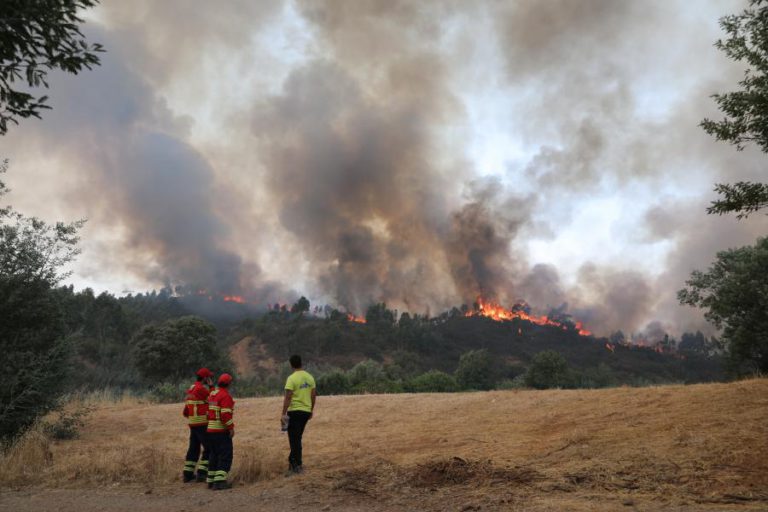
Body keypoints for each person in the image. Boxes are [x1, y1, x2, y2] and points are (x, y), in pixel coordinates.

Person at [281, 354, 316, 474]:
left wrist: (283, 413)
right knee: (297, 437)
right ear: (301, 363)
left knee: (294, 439)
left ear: (291, 365)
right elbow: (313, 395)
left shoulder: (291, 378)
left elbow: (288, 397)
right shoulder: (310, 377)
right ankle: (292, 462)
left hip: (294, 411)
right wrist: (311, 409)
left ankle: (297, 465)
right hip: (305, 412)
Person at [182, 367, 214, 483]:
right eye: (209, 377)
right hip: (202, 423)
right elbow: (213, 400)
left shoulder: (192, 388)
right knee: (210, 448)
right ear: (205, 378)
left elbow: (187, 406)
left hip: (193, 423)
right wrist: (211, 387)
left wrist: (187, 414)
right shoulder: (201, 389)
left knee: (193, 448)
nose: (210, 378)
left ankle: (187, 474)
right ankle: (202, 473)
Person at [206, 373, 235, 490]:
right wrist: (231, 428)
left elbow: (211, 406)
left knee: (214, 455)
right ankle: (220, 482)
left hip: (210, 430)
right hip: (220, 431)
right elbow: (225, 415)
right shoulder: (226, 396)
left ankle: (211, 481)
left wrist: (211, 387)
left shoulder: (212, 394)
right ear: (229, 384)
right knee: (225, 455)